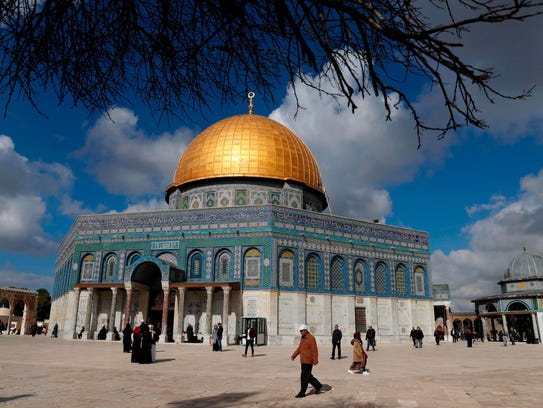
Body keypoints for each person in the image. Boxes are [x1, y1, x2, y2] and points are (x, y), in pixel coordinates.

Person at [291, 324, 322, 398]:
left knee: (304, 377)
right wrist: (294, 355)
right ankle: (318, 385)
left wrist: (315, 359)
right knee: (308, 376)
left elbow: (314, 350)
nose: (300, 332)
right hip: (303, 360)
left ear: (305, 330)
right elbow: (299, 348)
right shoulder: (303, 338)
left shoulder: (311, 338)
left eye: (301, 331)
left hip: (308, 360)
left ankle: (302, 392)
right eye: (300, 331)